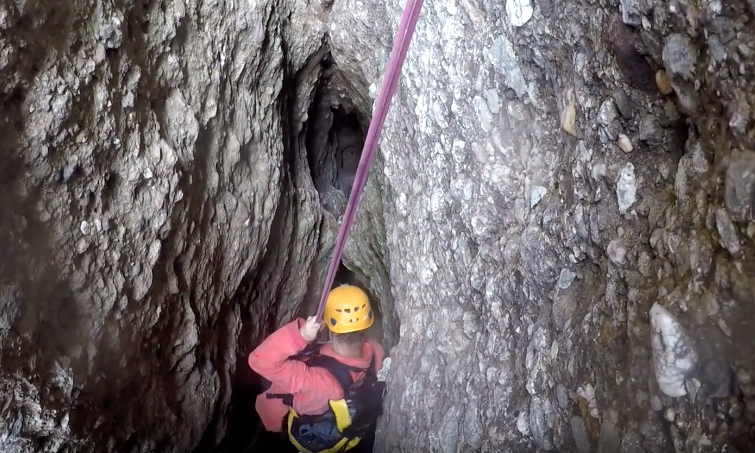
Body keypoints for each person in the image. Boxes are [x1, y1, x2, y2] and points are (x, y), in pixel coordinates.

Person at [248, 284, 386, 452]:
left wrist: (301, 336)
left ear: (327, 326)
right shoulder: (376, 351)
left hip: (307, 434)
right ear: (366, 323)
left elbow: (259, 361)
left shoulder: (314, 381)